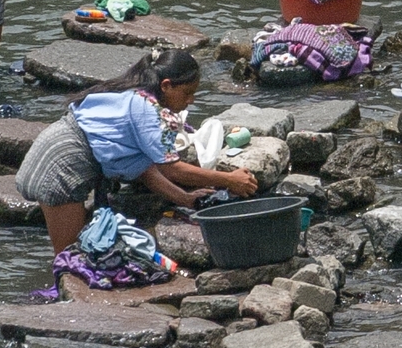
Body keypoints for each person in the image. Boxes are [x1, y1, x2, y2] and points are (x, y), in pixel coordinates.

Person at [13, 51, 258, 263]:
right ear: (166, 85)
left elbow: (145, 168)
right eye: (187, 93)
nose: (190, 101)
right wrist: (229, 179)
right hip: (61, 166)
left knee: (79, 251)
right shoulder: (147, 111)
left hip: (55, 150)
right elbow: (171, 169)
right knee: (69, 259)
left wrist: (185, 199)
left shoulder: (137, 94)